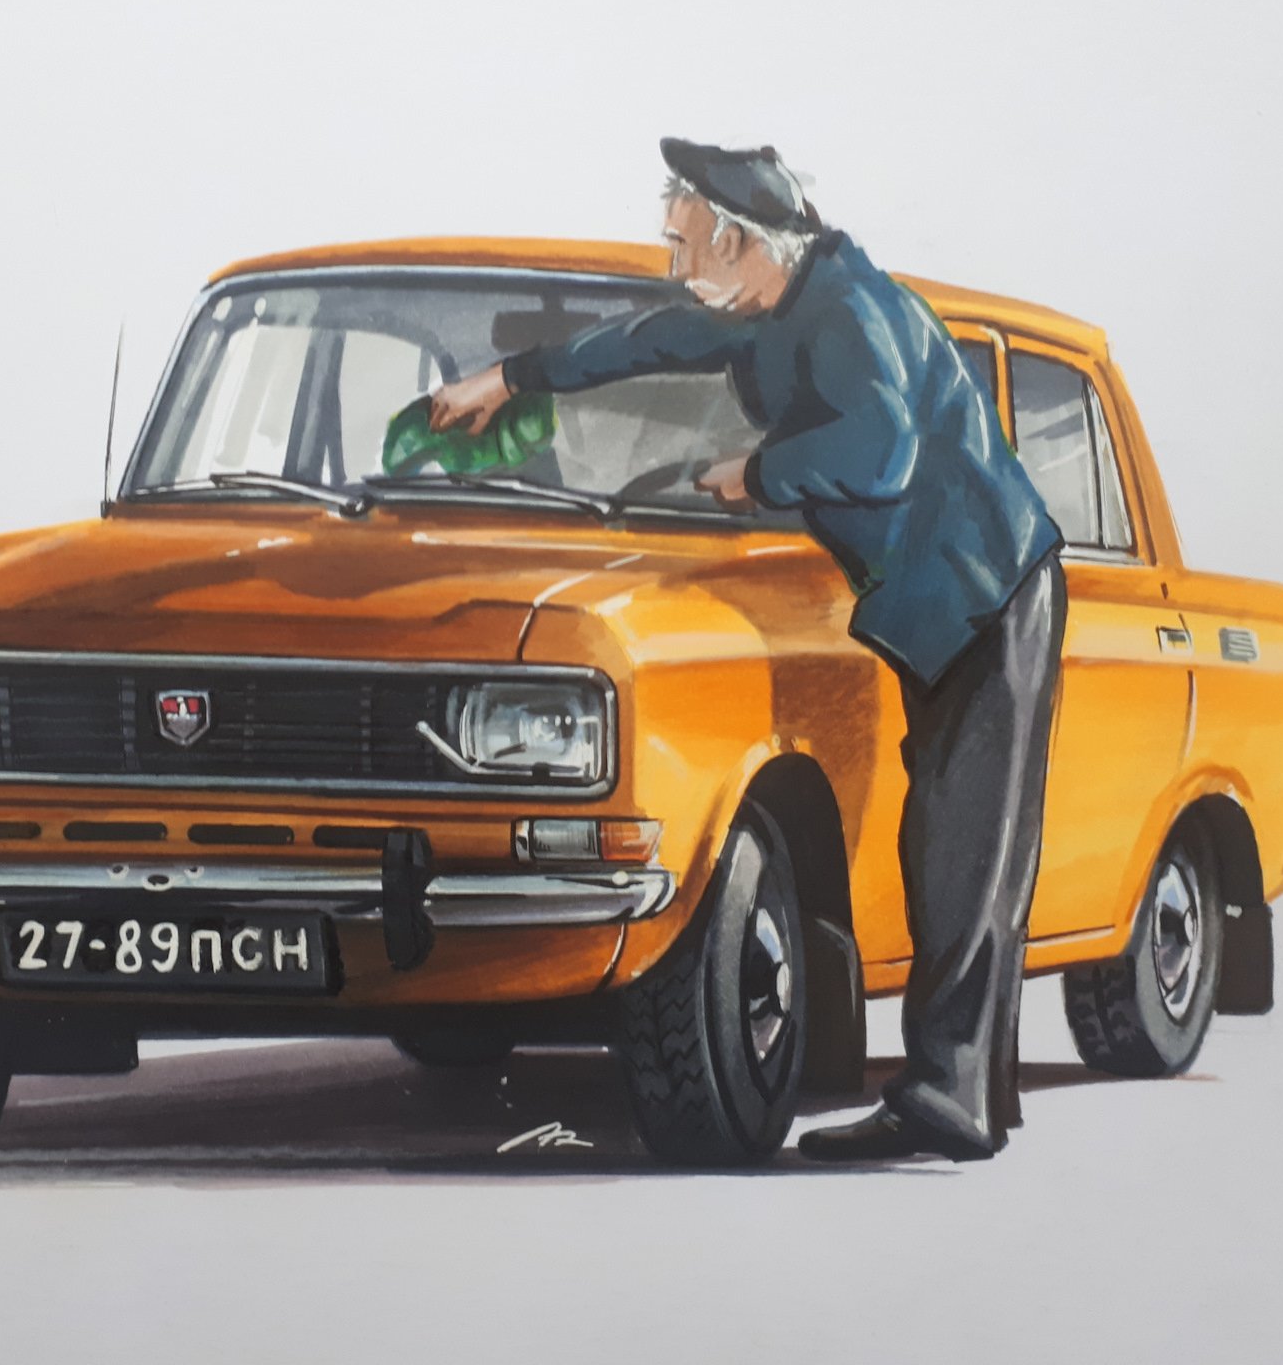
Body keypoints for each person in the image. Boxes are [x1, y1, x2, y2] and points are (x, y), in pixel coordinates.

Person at [429, 138, 1068, 1162]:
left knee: (962, 851)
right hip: (944, 598)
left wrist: (758, 473)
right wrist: (511, 377)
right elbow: (645, 342)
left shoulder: (848, 311)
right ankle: (970, 1093)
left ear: (739, 241)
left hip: (987, 592)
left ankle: (950, 1099)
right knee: (955, 844)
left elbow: (882, 450)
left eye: (685, 246)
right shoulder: (761, 303)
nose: (675, 266)